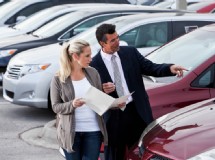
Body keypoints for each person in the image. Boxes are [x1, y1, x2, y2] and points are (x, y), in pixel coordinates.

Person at [90, 23, 187, 160]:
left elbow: (151, 67)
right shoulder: (93, 65)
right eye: (112, 40)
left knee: (140, 153)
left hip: (137, 112)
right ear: (102, 43)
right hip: (114, 118)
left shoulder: (130, 53)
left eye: (117, 38)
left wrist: (170, 68)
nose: (117, 42)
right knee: (113, 155)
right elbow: (91, 95)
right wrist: (102, 89)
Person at [50, 39, 108, 160]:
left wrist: (109, 98)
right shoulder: (58, 78)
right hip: (70, 133)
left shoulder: (93, 73)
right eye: (87, 55)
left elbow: (99, 101)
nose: (90, 58)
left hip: (93, 131)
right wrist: (72, 104)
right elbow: (56, 107)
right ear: (75, 56)